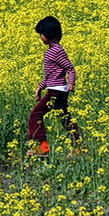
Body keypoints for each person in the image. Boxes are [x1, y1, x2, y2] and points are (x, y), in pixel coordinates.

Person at [27, 16, 83, 157]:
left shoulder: (56, 51)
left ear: (49, 35)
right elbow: (50, 74)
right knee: (65, 118)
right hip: (56, 89)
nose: (40, 37)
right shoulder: (53, 50)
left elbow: (70, 68)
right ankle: (80, 148)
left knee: (36, 115)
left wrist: (72, 83)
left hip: (57, 91)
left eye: (42, 34)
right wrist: (40, 87)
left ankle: (42, 148)